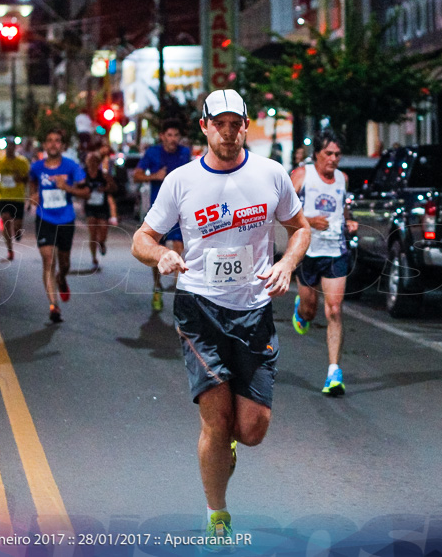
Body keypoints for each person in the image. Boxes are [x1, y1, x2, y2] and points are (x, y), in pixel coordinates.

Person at [130, 89, 310, 542]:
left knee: (251, 430)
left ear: (247, 126)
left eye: (236, 124)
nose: (228, 132)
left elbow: (300, 228)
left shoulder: (271, 175)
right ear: (205, 127)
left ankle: (230, 439)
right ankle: (218, 515)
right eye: (220, 124)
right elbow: (141, 238)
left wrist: (287, 263)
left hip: (254, 310)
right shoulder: (182, 180)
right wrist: (160, 257)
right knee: (215, 419)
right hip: (199, 309)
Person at [290, 131, 359, 396]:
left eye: (337, 155)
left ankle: (333, 372)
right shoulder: (300, 176)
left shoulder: (342, 179)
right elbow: (282, 211)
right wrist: (308, 220)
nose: (332, 159)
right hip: (307, 251)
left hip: (334, 251)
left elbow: (342, 209)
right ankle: (301, 311)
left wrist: (349, 221)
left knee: (334, 310)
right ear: (317, 154)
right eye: (328, 154)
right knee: (310, 310)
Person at [28, 128, 89, 323]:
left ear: (62, 146)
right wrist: (33, 195)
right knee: (48, 260)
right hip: (44, 218)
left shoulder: (72, 166)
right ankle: (54, 306)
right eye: (49, 140)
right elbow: (32, 182)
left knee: (64, 264)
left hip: (65, 219)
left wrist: (67, 188)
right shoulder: (37, 167)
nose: (53, 144)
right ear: (45, 145)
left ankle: (62, 278)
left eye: (57, 141)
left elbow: (86, 192)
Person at [134, 118, 192, 311]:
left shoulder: (185, 153)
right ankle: (157, 286)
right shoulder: (152, 153)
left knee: (179, 247)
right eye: (169, 135)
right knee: (156, 249)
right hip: (158, 210)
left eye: (176, 135)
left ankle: (179, 293)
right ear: (162, 137)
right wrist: (154, 176)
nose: (173, 139)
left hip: (181, 209)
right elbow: (137, 175)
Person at [0, 141, 31, 262]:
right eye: (7, 147)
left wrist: (21, 178)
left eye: (11, 147)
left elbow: (28, 179)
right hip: (3, 196)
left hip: (18, 197)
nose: (9, 149)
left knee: (17, 225)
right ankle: (10, 250)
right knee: (5, 220)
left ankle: (18, 231)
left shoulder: (22, 162)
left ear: (15, 148)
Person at [83, 147, 117, 272]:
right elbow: (78, 187)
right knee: (92, 234)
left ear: (98, 163)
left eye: (94, 162)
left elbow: (114, 187)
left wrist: (106, 188)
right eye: (90, 162)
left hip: (102, 207)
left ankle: (102, 243)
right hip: (90, 207)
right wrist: (84, 193)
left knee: (103, 230)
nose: (92, 164)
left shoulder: (103, 175)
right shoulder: (84, 175)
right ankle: (94, 258)